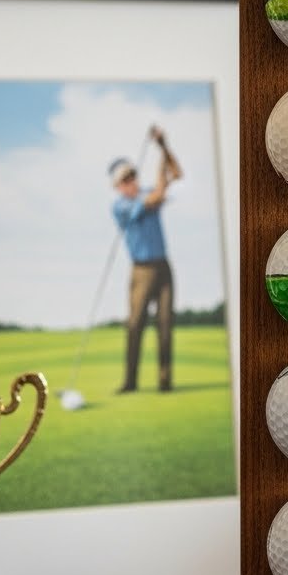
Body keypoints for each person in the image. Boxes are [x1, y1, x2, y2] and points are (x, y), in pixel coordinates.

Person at [108, 125, 183, 394]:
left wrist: (163, 146)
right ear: (117, 185)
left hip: (163, 267)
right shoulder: (120, 205)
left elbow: (176, 174)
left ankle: (165, 380)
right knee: (136, 325)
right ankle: (130, 381)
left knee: (165, 324)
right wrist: (160, 167)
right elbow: (158, 194)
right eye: (125, 179)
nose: (131, 181)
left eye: (132, 175)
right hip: (142, 271)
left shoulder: (145, 193)